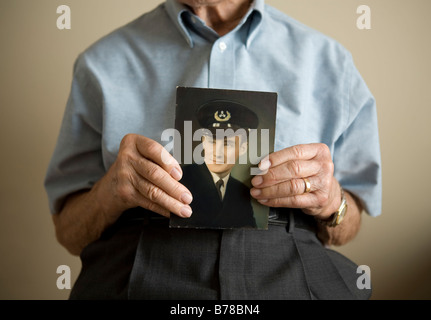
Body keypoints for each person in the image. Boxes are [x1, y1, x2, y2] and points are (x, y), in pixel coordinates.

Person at [44, 0, 381, 300]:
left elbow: (349, 226)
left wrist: (331, 201)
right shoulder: (100, 62)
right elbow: (69, 234)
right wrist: (109, 194)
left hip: (290, 262)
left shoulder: (330, 61)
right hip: (140, 262)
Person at [170, 100, 258, 229]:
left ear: (243, 148)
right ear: (203, 142)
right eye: (212, 141)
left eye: (228, 144)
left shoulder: (241, 190)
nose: (218, 153)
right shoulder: (182, 178)